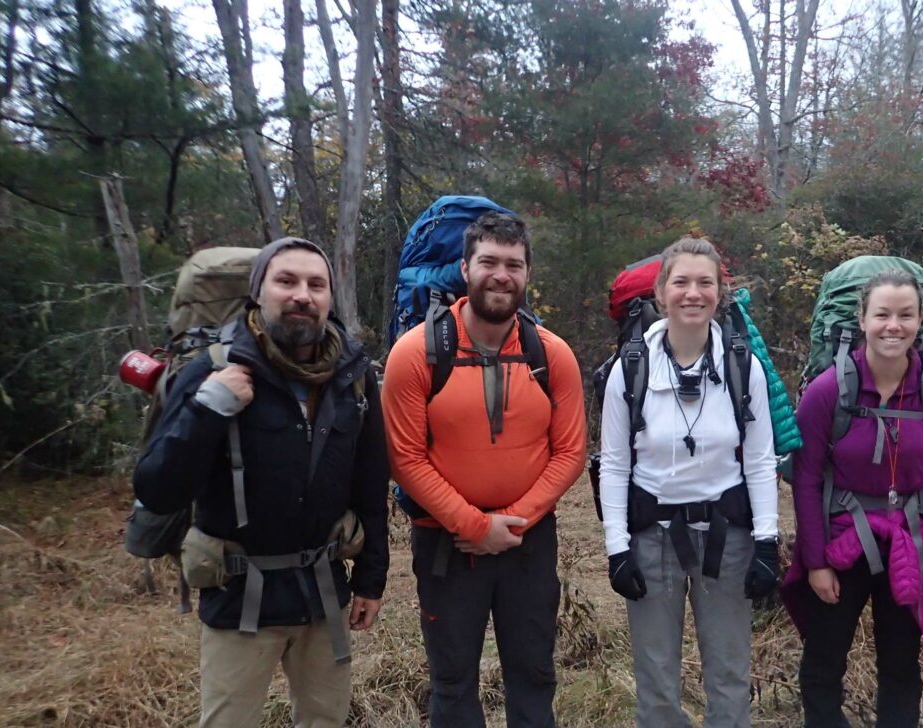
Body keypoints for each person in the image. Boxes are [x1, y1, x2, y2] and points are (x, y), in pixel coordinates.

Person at [134, 237, 390, 728]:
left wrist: (372, 579)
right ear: (258, 292)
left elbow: (370, 480)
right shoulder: (213, 369)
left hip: (323, 596)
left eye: (316, 284)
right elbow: (157, 487)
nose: (302, 294)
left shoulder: (350, 376)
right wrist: (208, 409)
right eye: (286, 281)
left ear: (330, 298)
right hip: (238, 598)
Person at [382, 212, 586, 728]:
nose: (501, 275)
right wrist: (474, 527)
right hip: (445, 545)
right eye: (489, 262)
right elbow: (405, 459)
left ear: (527, 275)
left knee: (534, 675)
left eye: (513, 264)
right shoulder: (416, 354)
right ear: (464, 267)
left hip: (530, 544)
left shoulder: (551, 354)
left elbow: (570, 452)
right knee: (451, 683)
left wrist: (511, 523)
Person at [598, 236, 781, 728]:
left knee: (729, 673)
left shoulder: (744, 367)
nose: (693, 293)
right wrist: (617, 549)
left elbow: (761, 461)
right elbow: (614, 464)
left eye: (706, 282)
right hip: (651, 538)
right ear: (661, 293)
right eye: (681, 281)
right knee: (655, 678)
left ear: (721, 292)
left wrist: (767, 543)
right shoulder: (629, 369)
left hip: (729, 537)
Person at [782, 269, 923, 727]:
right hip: (841, 540)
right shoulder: (829, 390)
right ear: (861, 319)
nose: (893, 326)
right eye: (882, 314)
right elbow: (804, 479)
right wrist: (815, 562)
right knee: (824, 660)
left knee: (901, 664)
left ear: (920, 321)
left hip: (911, 539)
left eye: (905, 315)